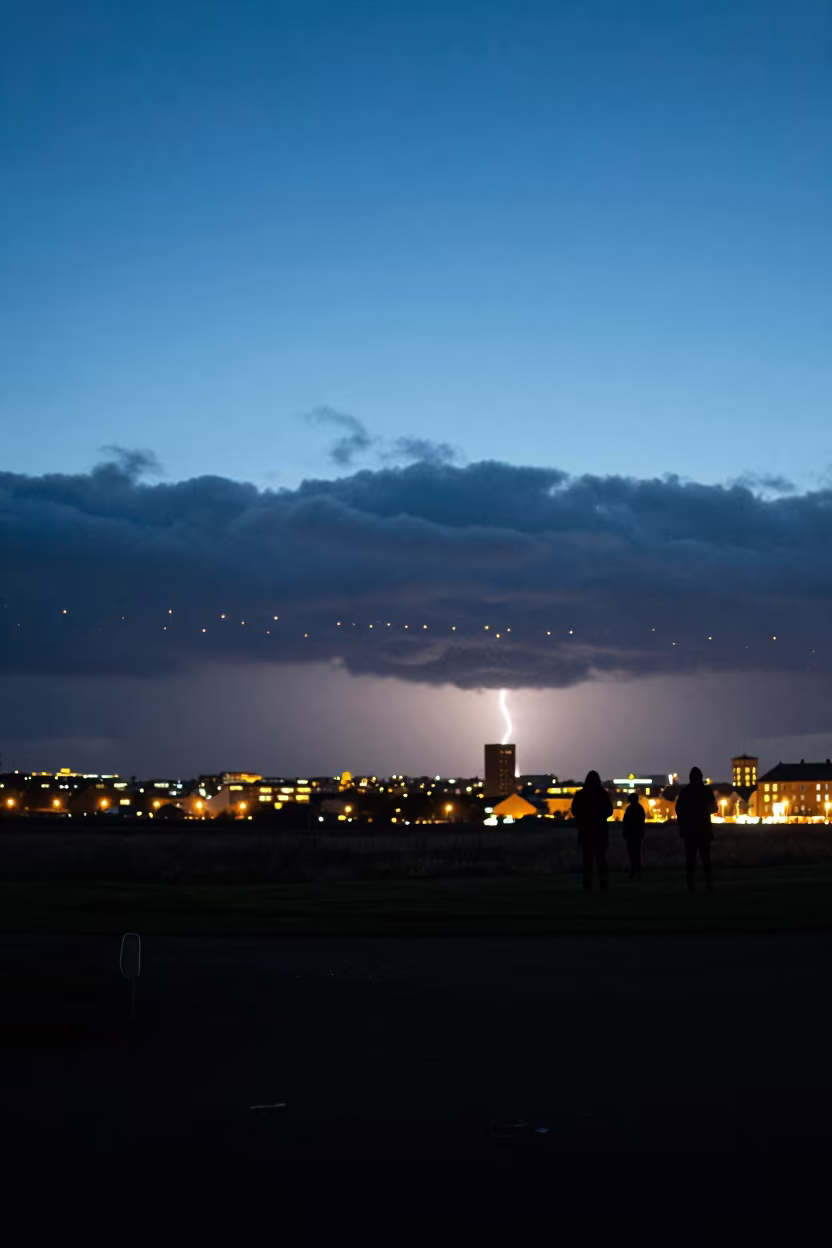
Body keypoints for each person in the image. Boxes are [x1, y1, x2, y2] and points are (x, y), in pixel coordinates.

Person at [675, 766, 718, 891]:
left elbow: (678, 809)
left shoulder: (685, 792)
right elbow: (715, 808)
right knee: (705, 859)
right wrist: (704, 812)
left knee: (690, 860)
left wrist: (683, 823)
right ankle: (709, 884)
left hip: (689, 831)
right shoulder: (706, 792)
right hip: (704, 830)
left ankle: (691, 885)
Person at [571, 770, 613, 891]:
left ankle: (587, 885)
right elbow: (609, 811)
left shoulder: (580, 795)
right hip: (600, 832)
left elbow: (574, 811)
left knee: (587, 861)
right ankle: (603, 885)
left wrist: (583, 818)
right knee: (601, 860)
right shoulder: (603, 795)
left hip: (586, 832)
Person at [622, 791, 646, 879]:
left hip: (631, 834)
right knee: (636, 852)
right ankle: (637, 871)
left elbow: (626, 821)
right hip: (637, 833)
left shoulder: (630, 809)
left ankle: (634, 870)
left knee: (632, 853)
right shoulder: (640, 808)